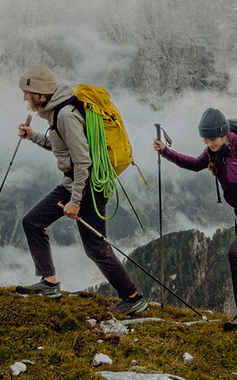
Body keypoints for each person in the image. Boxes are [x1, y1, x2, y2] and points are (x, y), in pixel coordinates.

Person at [14, 64, 147, 317]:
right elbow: (63, 148)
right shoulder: (56, 112)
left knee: (96, 247)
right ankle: (49, 283)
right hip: (74, 182)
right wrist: (33, 137)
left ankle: (132, 298)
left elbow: (83, 160)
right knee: (32, 221)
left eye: (27, 93)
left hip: (87, 185)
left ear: (40, 94)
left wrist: (75, 202)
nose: (25, 98)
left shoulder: (64, 115)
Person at [154, 107, 237, 329]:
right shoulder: (213, 152)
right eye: (206, 139)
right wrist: (166, 152)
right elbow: (194, 165)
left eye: (213, 138)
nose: (209, 143)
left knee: (236, 252)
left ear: (224, 133)